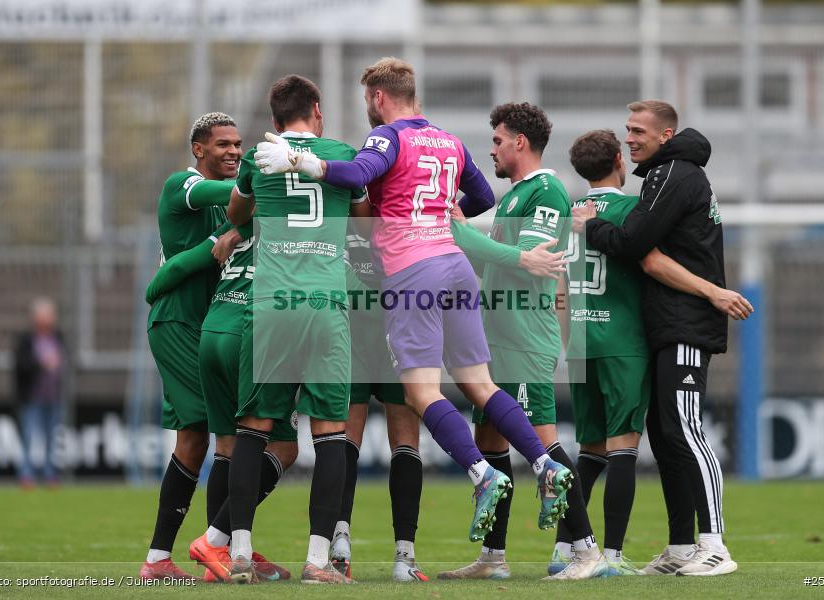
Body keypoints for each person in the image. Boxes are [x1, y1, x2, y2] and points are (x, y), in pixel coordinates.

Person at [255, 58, 573, 547]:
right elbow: (482, 195)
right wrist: (443, 213)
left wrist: (304, 163)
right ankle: (546, 463)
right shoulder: (447, 140)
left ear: (379, 97)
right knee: (480, 384)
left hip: (413, 272)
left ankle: (482, 474)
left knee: (421, 393)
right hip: (456, 266)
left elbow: (358, 173)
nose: (368, 107)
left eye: (367, 98)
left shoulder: (387, 137)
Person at [571, 101, 751, 576]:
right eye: (627, 130)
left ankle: (715, 545)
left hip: (685, 323)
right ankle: (680, 547)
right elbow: (648, 251)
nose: (629, 138)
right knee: (667, 435)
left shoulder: (673, 174)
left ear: (665, 135)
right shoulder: (663, 174)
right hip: (665, 324)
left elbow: (635, 245)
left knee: (686, 430)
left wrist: (592, 225)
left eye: (638, 131)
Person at [437, 103, 603, 582]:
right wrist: (464, 234)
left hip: (526, 338)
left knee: (543, 447)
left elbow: (527, 260)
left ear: (520, 143)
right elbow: (501, 260)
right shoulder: (514, 196)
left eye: (497, 140)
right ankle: (493, 558)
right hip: (497, 340)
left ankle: (586, 550)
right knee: (489, 442)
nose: (492, 149)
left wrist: (460, 231)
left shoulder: (546, 190)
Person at [224, 74, 370, 584]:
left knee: (253, 428)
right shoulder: (342, 156)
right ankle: (317, 561)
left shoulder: (256, 158)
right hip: (324, 303)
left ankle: (239, 553)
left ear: (274, 119)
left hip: (270, 305)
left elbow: (236, 212)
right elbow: (365, 216)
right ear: (317, 109)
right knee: (330, 431)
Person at [143, 218, 295, 583]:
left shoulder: (236, 218)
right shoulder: (281, 211)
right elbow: (181, 265)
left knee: (220, 445)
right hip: (238, 328)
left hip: (211, 328)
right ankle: (215, 542)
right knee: (282, 447)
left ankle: (214, 554)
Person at [140, 112, 245, 580]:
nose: (234, 151)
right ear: (199, 150)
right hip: (177, 323)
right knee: (224, 432)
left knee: (195, 439)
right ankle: (220, 548)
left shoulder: (228, 207)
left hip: (207, 326)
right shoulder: (182, 185)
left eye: (238, 144)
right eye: (223, 144)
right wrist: (258, 187)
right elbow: (220, 199)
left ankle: (163, 559)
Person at [329, 227, 428, 582]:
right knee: (404, 439)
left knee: (346, 438)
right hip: (396, 327)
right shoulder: (402, 205)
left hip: (353, 326)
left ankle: (339, 545)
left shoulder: (341, 202)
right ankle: (405, 558)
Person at [13, 297, 66, 488]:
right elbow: (21, 365)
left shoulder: (57, 337)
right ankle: (26, 474)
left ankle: (51, 474)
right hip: (31, 397)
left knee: (52, 438)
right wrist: (41, 363)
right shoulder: (26, 339)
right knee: (28, 436)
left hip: (53, 396)